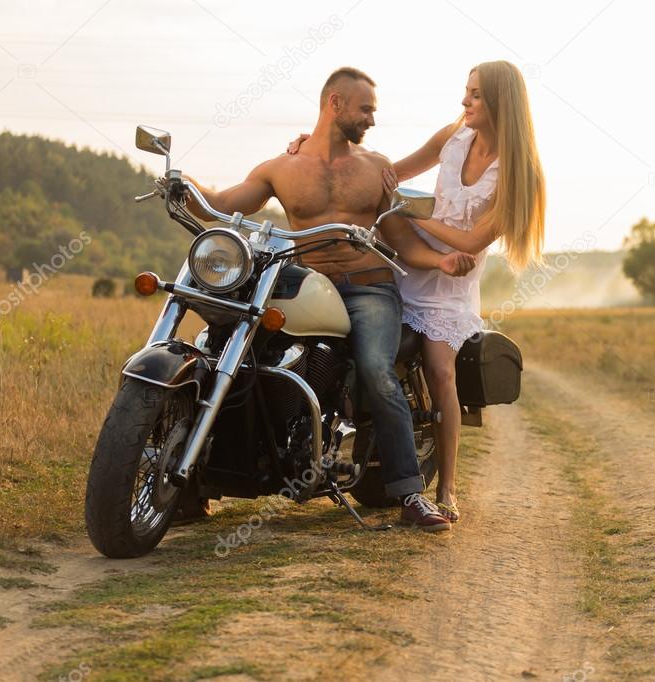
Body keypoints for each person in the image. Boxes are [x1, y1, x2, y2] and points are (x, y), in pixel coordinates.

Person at [186, 66, 476, 532]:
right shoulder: (281, 167)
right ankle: (194, 482)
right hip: (311, 285)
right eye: (366, 109)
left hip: (369, 287)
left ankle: (410, 495)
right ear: (335, 104)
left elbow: (400, 237)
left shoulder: (375, 168)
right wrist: (185, 184)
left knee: (377, 371)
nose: (372, 121)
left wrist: (439, 262)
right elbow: (224, 203)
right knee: (233, 352)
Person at [287, 60, 545, 522]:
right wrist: (315, 148)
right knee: (350, 342)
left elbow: (468, 242)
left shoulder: (518, 176)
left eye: (476, 95)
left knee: (439, 370)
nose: (465, 102)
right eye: (466, 92)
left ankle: (445, 488)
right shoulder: (455, 135)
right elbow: (392, 172)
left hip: (450, 275)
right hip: (402, 254)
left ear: (501, 102)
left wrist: (408, 211)